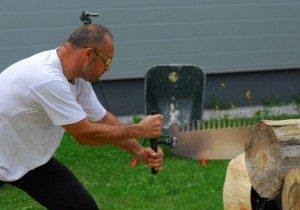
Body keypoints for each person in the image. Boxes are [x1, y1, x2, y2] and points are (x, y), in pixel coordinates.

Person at [0, 23, 164, 209]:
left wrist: (139, 151)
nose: (108, 68)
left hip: (27, 157)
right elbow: (85, 134)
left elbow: (101, 119)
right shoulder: (47, 78)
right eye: (107, 61)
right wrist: (139, 129)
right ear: (88, 55)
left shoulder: (77, 76)